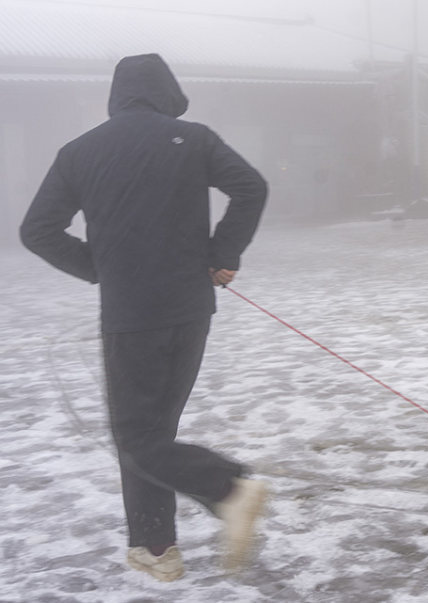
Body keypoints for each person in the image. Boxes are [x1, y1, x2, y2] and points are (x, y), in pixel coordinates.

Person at [20, 54, 268, 581]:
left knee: (138, 439)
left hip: (132, 313)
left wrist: (100, 268)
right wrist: (223, 253)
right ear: (166, 92)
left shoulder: (79, 152)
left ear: (118, 95)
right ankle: (156, 548)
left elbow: (37, 229)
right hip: (190, 308)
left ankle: (227, 489)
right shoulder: (194, 137)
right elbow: (251, 186)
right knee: (153, 433)